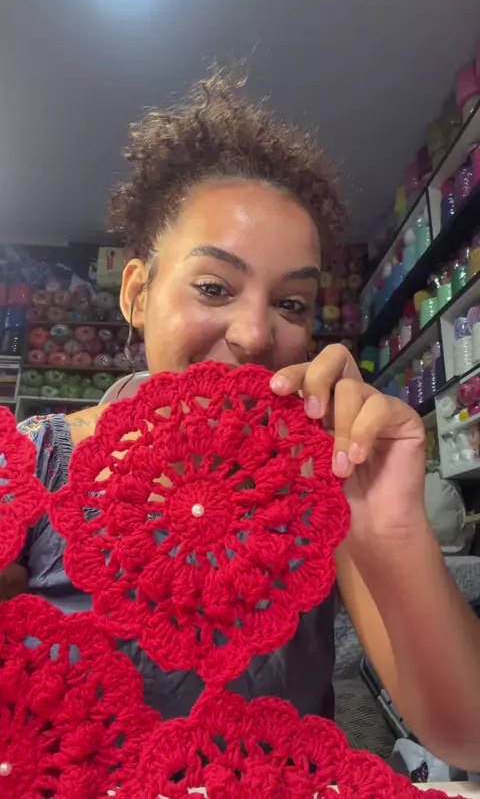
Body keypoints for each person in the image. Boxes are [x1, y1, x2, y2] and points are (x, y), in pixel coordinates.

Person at [2, 71, 480, 770]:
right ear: (137, 294)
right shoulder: (28, 468)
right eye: (213, 287)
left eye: (291, 305)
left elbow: (468, 735)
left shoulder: (322, 486)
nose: (256, 335)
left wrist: (391, 524)